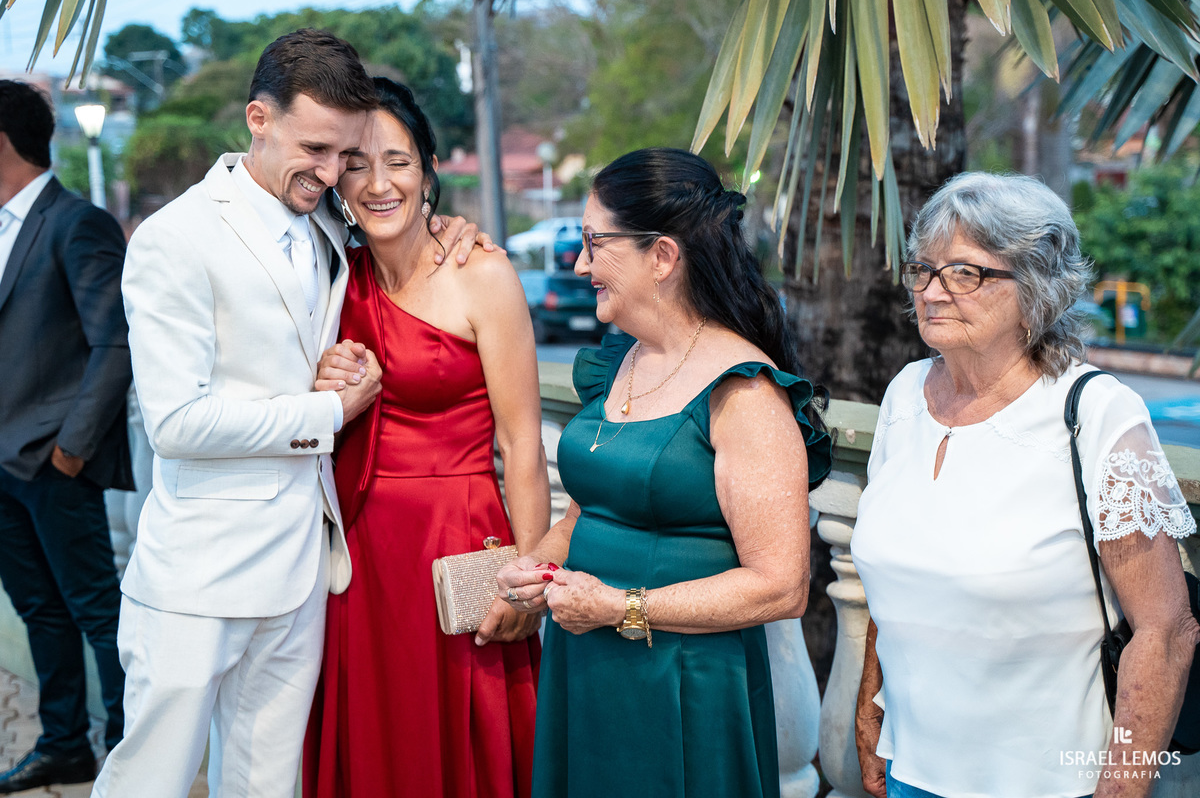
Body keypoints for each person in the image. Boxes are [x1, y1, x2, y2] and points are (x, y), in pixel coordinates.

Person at [91, 31, 488, 798]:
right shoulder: (177, 238)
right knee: (149, 783)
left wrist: (447, 226)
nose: (332, 173)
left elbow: (399, 233)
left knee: (268, 786)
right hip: (199, 579)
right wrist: (325, 411)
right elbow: (176, 424)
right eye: (315, 149)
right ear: (258, 119)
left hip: (307, 573)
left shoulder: (330, 226)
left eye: (344, 154)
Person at [496, 147, 832, 798]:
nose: (580, 264)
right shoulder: (619, 360)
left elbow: (781, 587)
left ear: (662, 256)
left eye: (595, 244)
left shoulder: (744, 394)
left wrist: (619, 608)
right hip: (587, 663)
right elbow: (586, 513)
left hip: (684, 682)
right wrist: (536, 566)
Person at [851, 172, 1199, 798]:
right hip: (909, 770)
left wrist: (1120, 791)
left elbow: (1166, 631)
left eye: (965, 273)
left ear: (1036, 289)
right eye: (923, 270)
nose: (932, 291)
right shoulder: (905, 394)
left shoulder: (1095, 414)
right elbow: (900, 572)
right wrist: (869, 706)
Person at [302, 76, 546, 798]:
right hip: (359, 555)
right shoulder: (330, 275)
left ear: (429, 169)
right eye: (356, 164)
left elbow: (523, 446)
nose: (379, 184)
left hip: (457, 542)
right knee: (377, 744)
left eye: (398, 162)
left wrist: (530, 582)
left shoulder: (481, 272)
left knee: (463, 743)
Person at [0, 80, 131, 794]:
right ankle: (63, 746)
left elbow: (114, 342)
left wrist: (71, 451)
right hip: (3, 466)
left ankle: (126, 753)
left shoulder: (77, 222)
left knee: (98, 612)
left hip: (55, 463)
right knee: (39, 611)